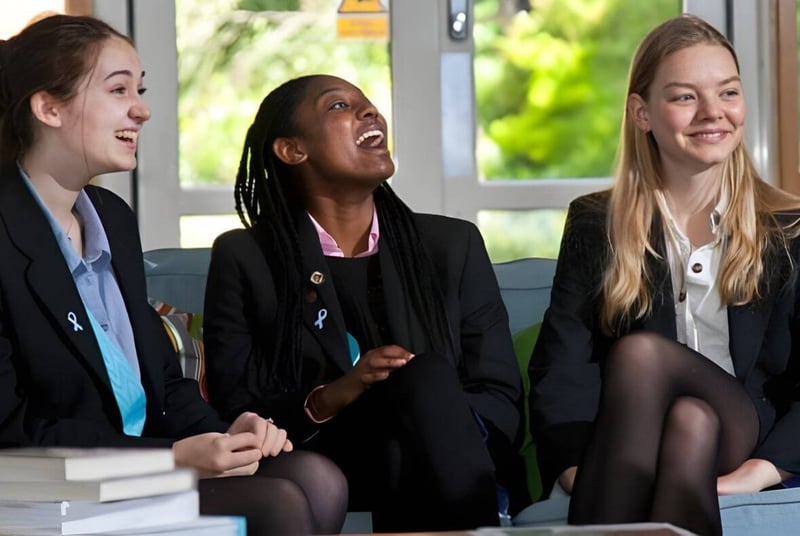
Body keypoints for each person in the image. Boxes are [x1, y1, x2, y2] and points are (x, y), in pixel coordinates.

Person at [0, 14, 347, 535]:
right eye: (118, 90)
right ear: (48, 107)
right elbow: (13, 427)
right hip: (48, 487)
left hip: (141, 466)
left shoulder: (111, 220)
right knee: (278, 502)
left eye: (139, 90)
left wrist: (226, 436)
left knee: (317, 476)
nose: (141, 110)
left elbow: (161, 380)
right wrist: (175, 457)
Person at [202, 73, 526, 531]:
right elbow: (238, 405)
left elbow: (498, 392)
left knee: (424, 382)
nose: (370, 111)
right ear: (293, 150)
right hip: (327, 453)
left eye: (367, 103)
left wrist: (430, 411)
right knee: (422, 384)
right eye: (338, 106)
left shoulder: (451, 245)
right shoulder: (248, 257)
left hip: (449, 450)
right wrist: (337, 393)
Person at [529, 13, 800, 536]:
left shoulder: (790, 227)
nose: (713, 113)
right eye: (684, 97)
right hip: (639, 435)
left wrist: (756, 474)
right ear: (642, 112)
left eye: (727, 93)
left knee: (641, 354)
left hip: (747, 432)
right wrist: (572, 468)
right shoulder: (596, 222)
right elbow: (563, 364)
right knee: (688, 423)